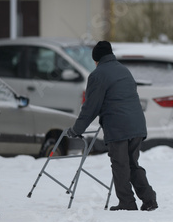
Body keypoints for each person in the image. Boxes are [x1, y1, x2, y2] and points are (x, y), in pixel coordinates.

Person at [67, 41, 157, 211]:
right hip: (137, 125)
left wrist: (76, 130)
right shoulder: (124, 70)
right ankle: (149, 199)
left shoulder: (98, 75)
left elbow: (90, 107)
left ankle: (127, 203)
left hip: (118, 128)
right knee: (132, 163)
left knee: (120, 164)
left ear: (96, 59)